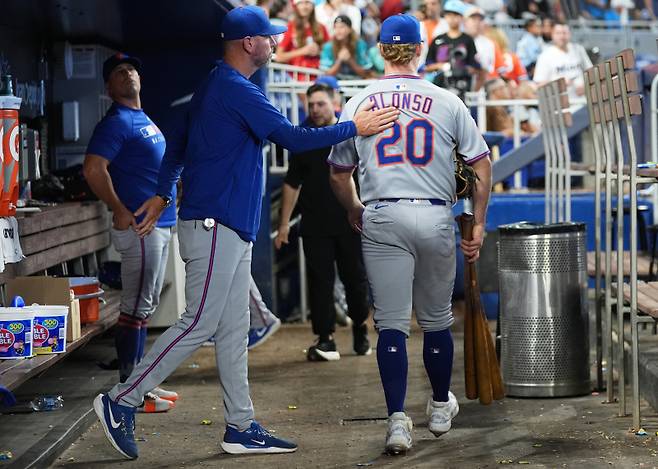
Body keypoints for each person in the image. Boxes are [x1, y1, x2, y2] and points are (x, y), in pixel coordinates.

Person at [92, 5, 399, 461]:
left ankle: (240, 425)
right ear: (248, 43)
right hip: (215, 223)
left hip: (226, 226)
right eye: (269, 37)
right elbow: (293, 137)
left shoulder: (216, 83)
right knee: (197, 322)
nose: (276, 43)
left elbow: (176, 143)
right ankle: (122, 400)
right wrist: (357, 125)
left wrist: (161, 194)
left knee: (233, 332)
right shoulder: (234, 87)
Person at [328, 14, 491, 455]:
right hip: (435, 213)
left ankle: (398, 423)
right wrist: (477, 220)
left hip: (383, 213)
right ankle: (440, 407)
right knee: (436, 320)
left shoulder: (358, 100)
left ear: (381, 50)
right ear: (420, 48)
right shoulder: (446, 99)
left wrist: (354, 209)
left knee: (392, 325)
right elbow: (480, 164)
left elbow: (339, 175)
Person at [83, 53, 178, 415]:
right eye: (119, 72)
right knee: (135, 308)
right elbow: (94, 170)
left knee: (145, 307)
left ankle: (139, 382)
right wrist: (118, 208)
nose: (128, 73)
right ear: (109, 87)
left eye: (132, 68)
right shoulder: (116, 121)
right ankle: (129, 389)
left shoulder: (142, 117)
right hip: (139, 227)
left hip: (159, 224)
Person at [275, 83, 371, 362]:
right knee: (320, 282)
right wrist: (283, 225)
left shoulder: (350, 133)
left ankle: (360, 330)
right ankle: (326, 339)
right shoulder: (304, 138)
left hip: (349, 221)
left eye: (321, 104)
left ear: (334, 103)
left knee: (355, 279)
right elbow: (292, 184)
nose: (315, 109)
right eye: (311, 104)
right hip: (315, 224)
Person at [425, 1, 482, 98]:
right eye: (449, 15)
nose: (452, 18)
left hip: (461, 88)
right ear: (445, 16)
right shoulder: (438, 39)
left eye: (456, 15)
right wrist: (441, 66)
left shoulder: (467, 40)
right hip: (440, 88)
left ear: (461, 17)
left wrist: (461, 69)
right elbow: (427, 66)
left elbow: (475, 66)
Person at [533, 22, 592, 99]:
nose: (562, 36)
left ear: (570, 34)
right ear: (552, 35)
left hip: (583, 101)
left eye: (565, 33)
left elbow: (591, 72)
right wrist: (558, 84)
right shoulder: (545, 55)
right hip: (560, 105)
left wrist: (586, 87)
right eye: (558, 33)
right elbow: (539, 85)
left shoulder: (578, 49)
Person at [275, 0, 329, 80]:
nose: (304, 6)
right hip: (296, 78)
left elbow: (330, 53)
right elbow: (279, 56)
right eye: (301, 3)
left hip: (318, 76)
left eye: (307, 2)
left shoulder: (321, 27)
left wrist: (319, 51)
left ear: (313, 5)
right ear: (296, 6)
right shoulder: (290, 27)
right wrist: (303, 51)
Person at [419, 0, 449, 66]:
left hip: (441, 69)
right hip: (420, 69)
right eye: (426, 4)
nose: (429, 7)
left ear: (440, 5)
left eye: (433, 4)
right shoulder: (418, 26)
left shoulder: (447, 25)